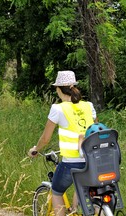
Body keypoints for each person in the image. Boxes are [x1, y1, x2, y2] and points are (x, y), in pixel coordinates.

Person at [28, 70, 97, 216]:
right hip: (92, 159)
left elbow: (45, 138)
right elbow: (95, 129)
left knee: (57, 191)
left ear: (58, 89)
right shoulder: (88, 106)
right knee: (84, 184)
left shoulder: (58, 109)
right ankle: (77, 209)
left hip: (71, 162)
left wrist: (35, 149)